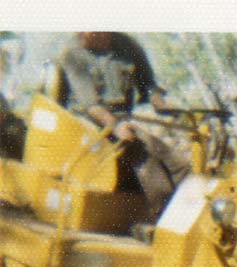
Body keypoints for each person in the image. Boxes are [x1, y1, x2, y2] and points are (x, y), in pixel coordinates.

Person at [56, 32, 186, 212]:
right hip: (88, 124)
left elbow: (148, 84)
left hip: (123, 120)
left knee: (180, 166)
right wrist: (115, 126)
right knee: (150, 169)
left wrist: (159, 101)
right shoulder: (72, 54)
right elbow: (91, 106)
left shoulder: (128, 46)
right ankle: (161, 225)